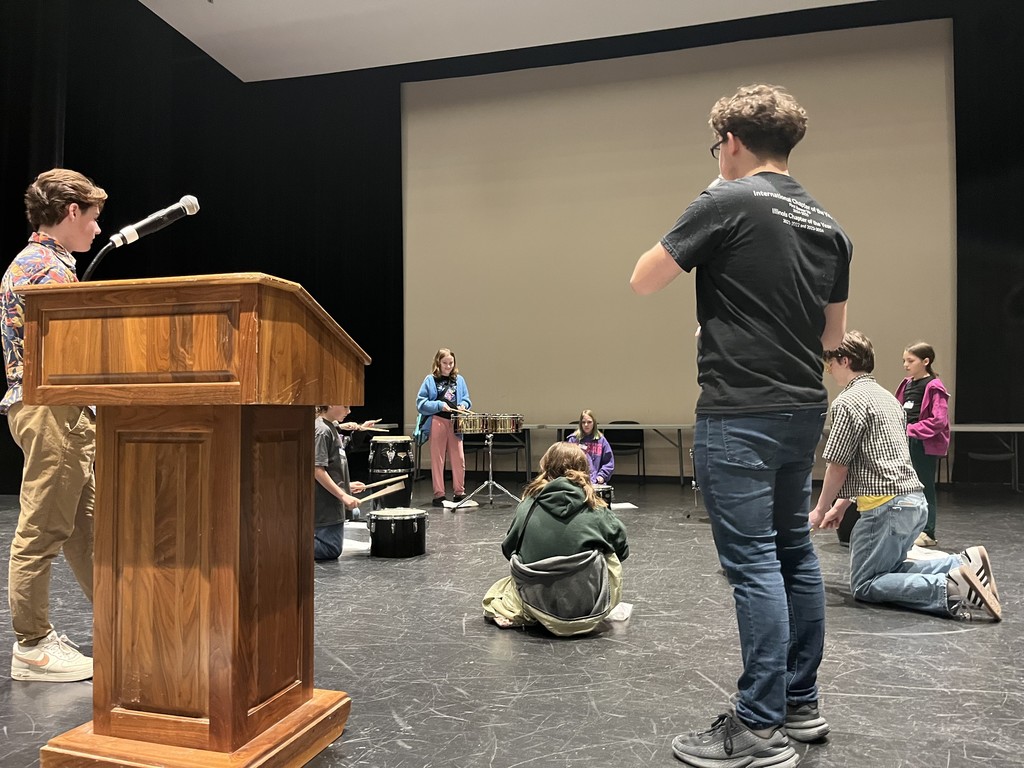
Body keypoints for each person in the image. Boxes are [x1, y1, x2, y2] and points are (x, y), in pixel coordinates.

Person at [630, 84, 851, 767]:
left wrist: (709, 194)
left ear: (730, 142)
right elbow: (832, 340)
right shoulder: (829, 225)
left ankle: (755, 727)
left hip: (740, 411)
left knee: (754, 564)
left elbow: (643, 278)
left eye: (717, 148)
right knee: (793, 555)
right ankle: (799, 705)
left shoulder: (724, 198)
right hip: (800, 408)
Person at [811, 331, 1000, 621]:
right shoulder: (889, 399)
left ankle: (950, 586)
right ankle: (962, 563)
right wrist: (843, 503)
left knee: (865, 584)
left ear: (844, 360)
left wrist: (820, 508)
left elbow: (839, 464)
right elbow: (876, 458)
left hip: (886, 510)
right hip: (913, 503)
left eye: (829, 364)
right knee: (889, 571)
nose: (829, 371)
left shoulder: (847, 402)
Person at [2, 169, 107, 682]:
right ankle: (33, 645)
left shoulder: (47, 262)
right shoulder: (46, 269)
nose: (97, 230)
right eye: (92, 218)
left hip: (62, 409)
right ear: (71, 213)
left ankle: (119, 622)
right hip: (50, 408)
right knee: (43, 526)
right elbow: (68, 353)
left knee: (87, 530)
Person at [482, 442, 629, 636]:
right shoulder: (596, 509)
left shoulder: (527, 505)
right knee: (609, 555)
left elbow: (509, 550)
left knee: (502, 587)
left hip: (536, 602)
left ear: (547, 467)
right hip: (586, 608)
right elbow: (622, 551)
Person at [894, 342, 950, 548]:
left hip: (922, 444)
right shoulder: (906, 384)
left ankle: (928, 532)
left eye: (910, 361)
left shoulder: (934, 386)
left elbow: (939, 420)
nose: (905, 365)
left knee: (924, 488)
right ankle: (910, 528)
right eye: (904, 361)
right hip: (904, 442)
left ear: (925, 361)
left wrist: (911, 430)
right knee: (905, 488)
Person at [415, 348, 472, 507]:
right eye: (445, 363)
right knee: (438, 459)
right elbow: (421, 403)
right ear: (438, 363)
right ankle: (439, 494)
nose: (448, 366)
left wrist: (463, 405)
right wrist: (439, 405)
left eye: (451, 363)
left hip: (455, 422)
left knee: (458, 458)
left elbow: (467, 400)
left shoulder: (459, 380)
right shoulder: (430, 380)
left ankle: (459, 492)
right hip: (437, 421)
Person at [314, 405, 368, 560]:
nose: (349, 411)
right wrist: (343, 496)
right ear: (330, 403)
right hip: (325, 506)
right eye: (345, 406)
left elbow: (331, 467)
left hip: (333, 504)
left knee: (334, 547)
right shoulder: (321, 430)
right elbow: (317, 470)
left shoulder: (331, 428)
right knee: (330, 549)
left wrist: (346, 486)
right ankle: (286, 545)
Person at [565, 409, 614, 484]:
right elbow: (567, 462)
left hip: (596, 481)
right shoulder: (573, 440)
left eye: (589, 422)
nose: (586, 425)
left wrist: (602, 476)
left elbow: (608, 462)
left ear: (594, 423)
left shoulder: (601, 440)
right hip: (577, 481)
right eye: (583, 422)